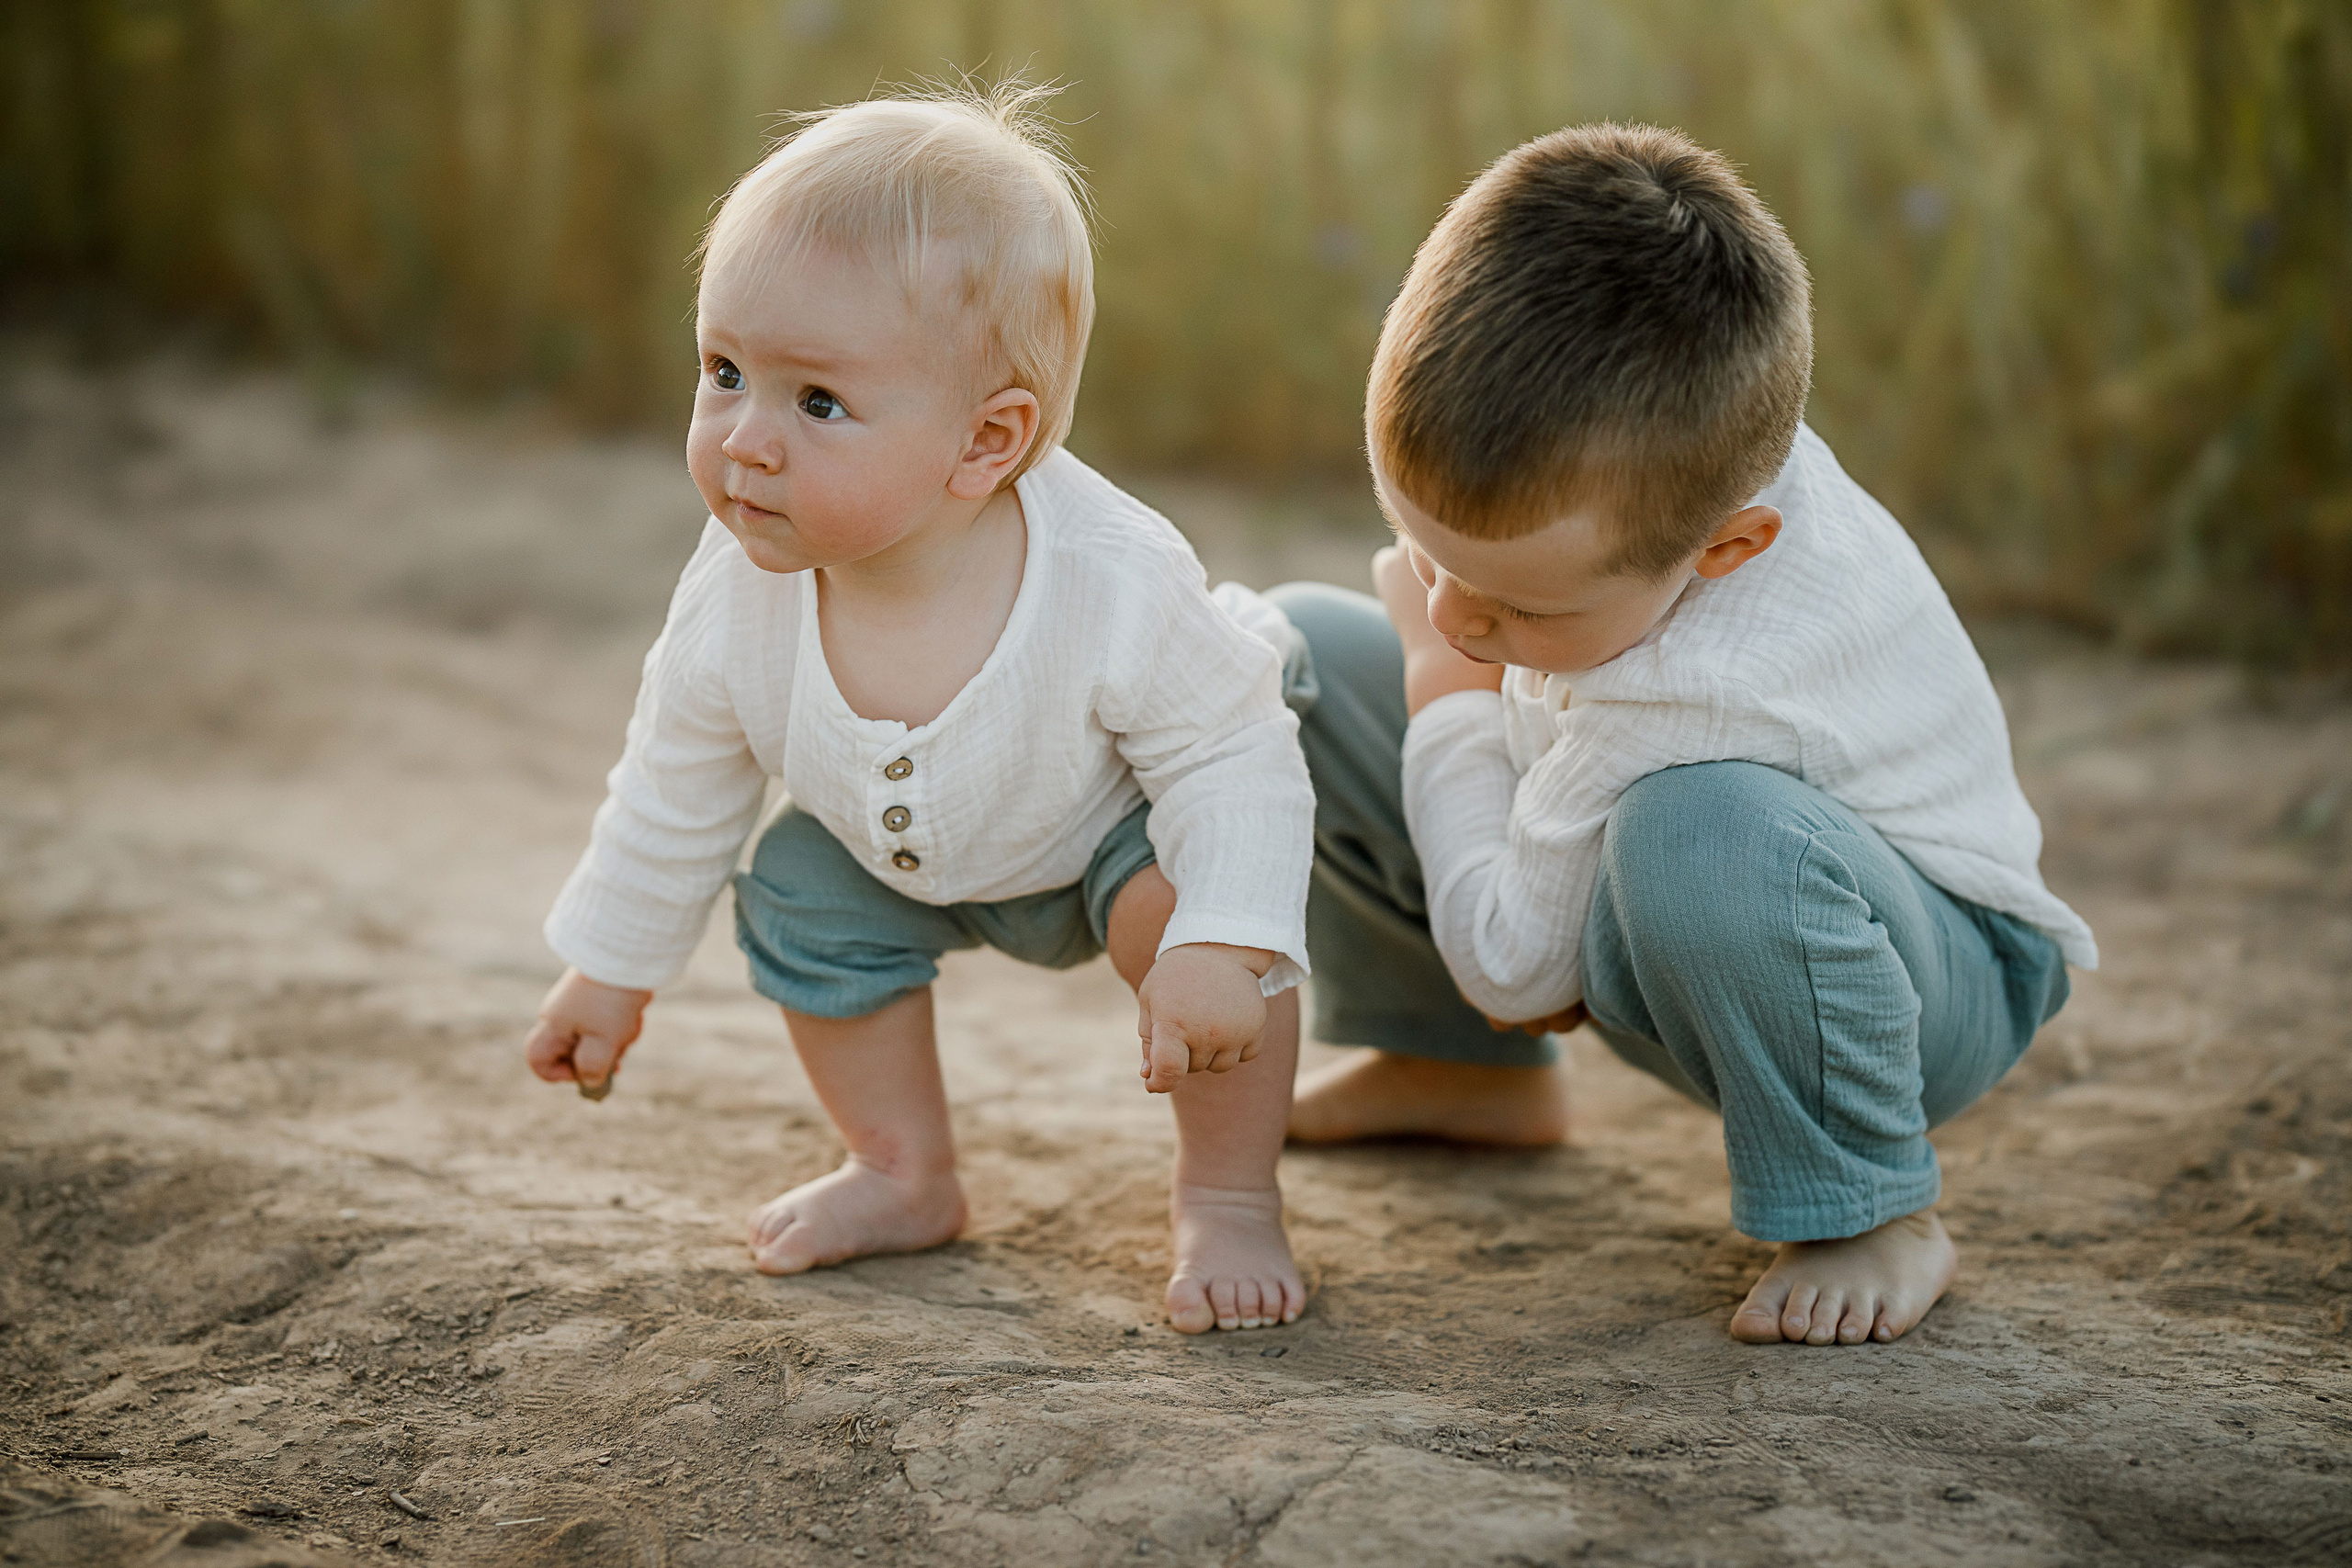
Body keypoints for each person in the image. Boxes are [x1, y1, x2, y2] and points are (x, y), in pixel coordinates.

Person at [1272, 122, 2095, 1347]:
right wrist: (1485, 644)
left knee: (1694, 829)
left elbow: (1513, 966)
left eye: (1521, 603)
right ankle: (1451, 1068)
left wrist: (1445, 681)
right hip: (1693, 872)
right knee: (1301, 660)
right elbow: (1513, 650)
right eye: (1428, 549)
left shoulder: (1707, 680)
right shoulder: (1673, 466)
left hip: (1915, 973)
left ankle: (1868, 1201)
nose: (1450, 607)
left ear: (1727, 550)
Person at [523, 84, 1315, 1335]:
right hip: (895, 855)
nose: (745, 441)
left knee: (1199, 921)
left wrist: (1227, 936)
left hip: (1107, 837)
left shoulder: (1108, 575)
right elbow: (679, 775)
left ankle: (1228, 1193)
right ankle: (904, 1172)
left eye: (815, 402)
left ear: (986, 443)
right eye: (724, 372)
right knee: (792, 891)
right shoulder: (737, 587)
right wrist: (610, 968)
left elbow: (1235, 755)